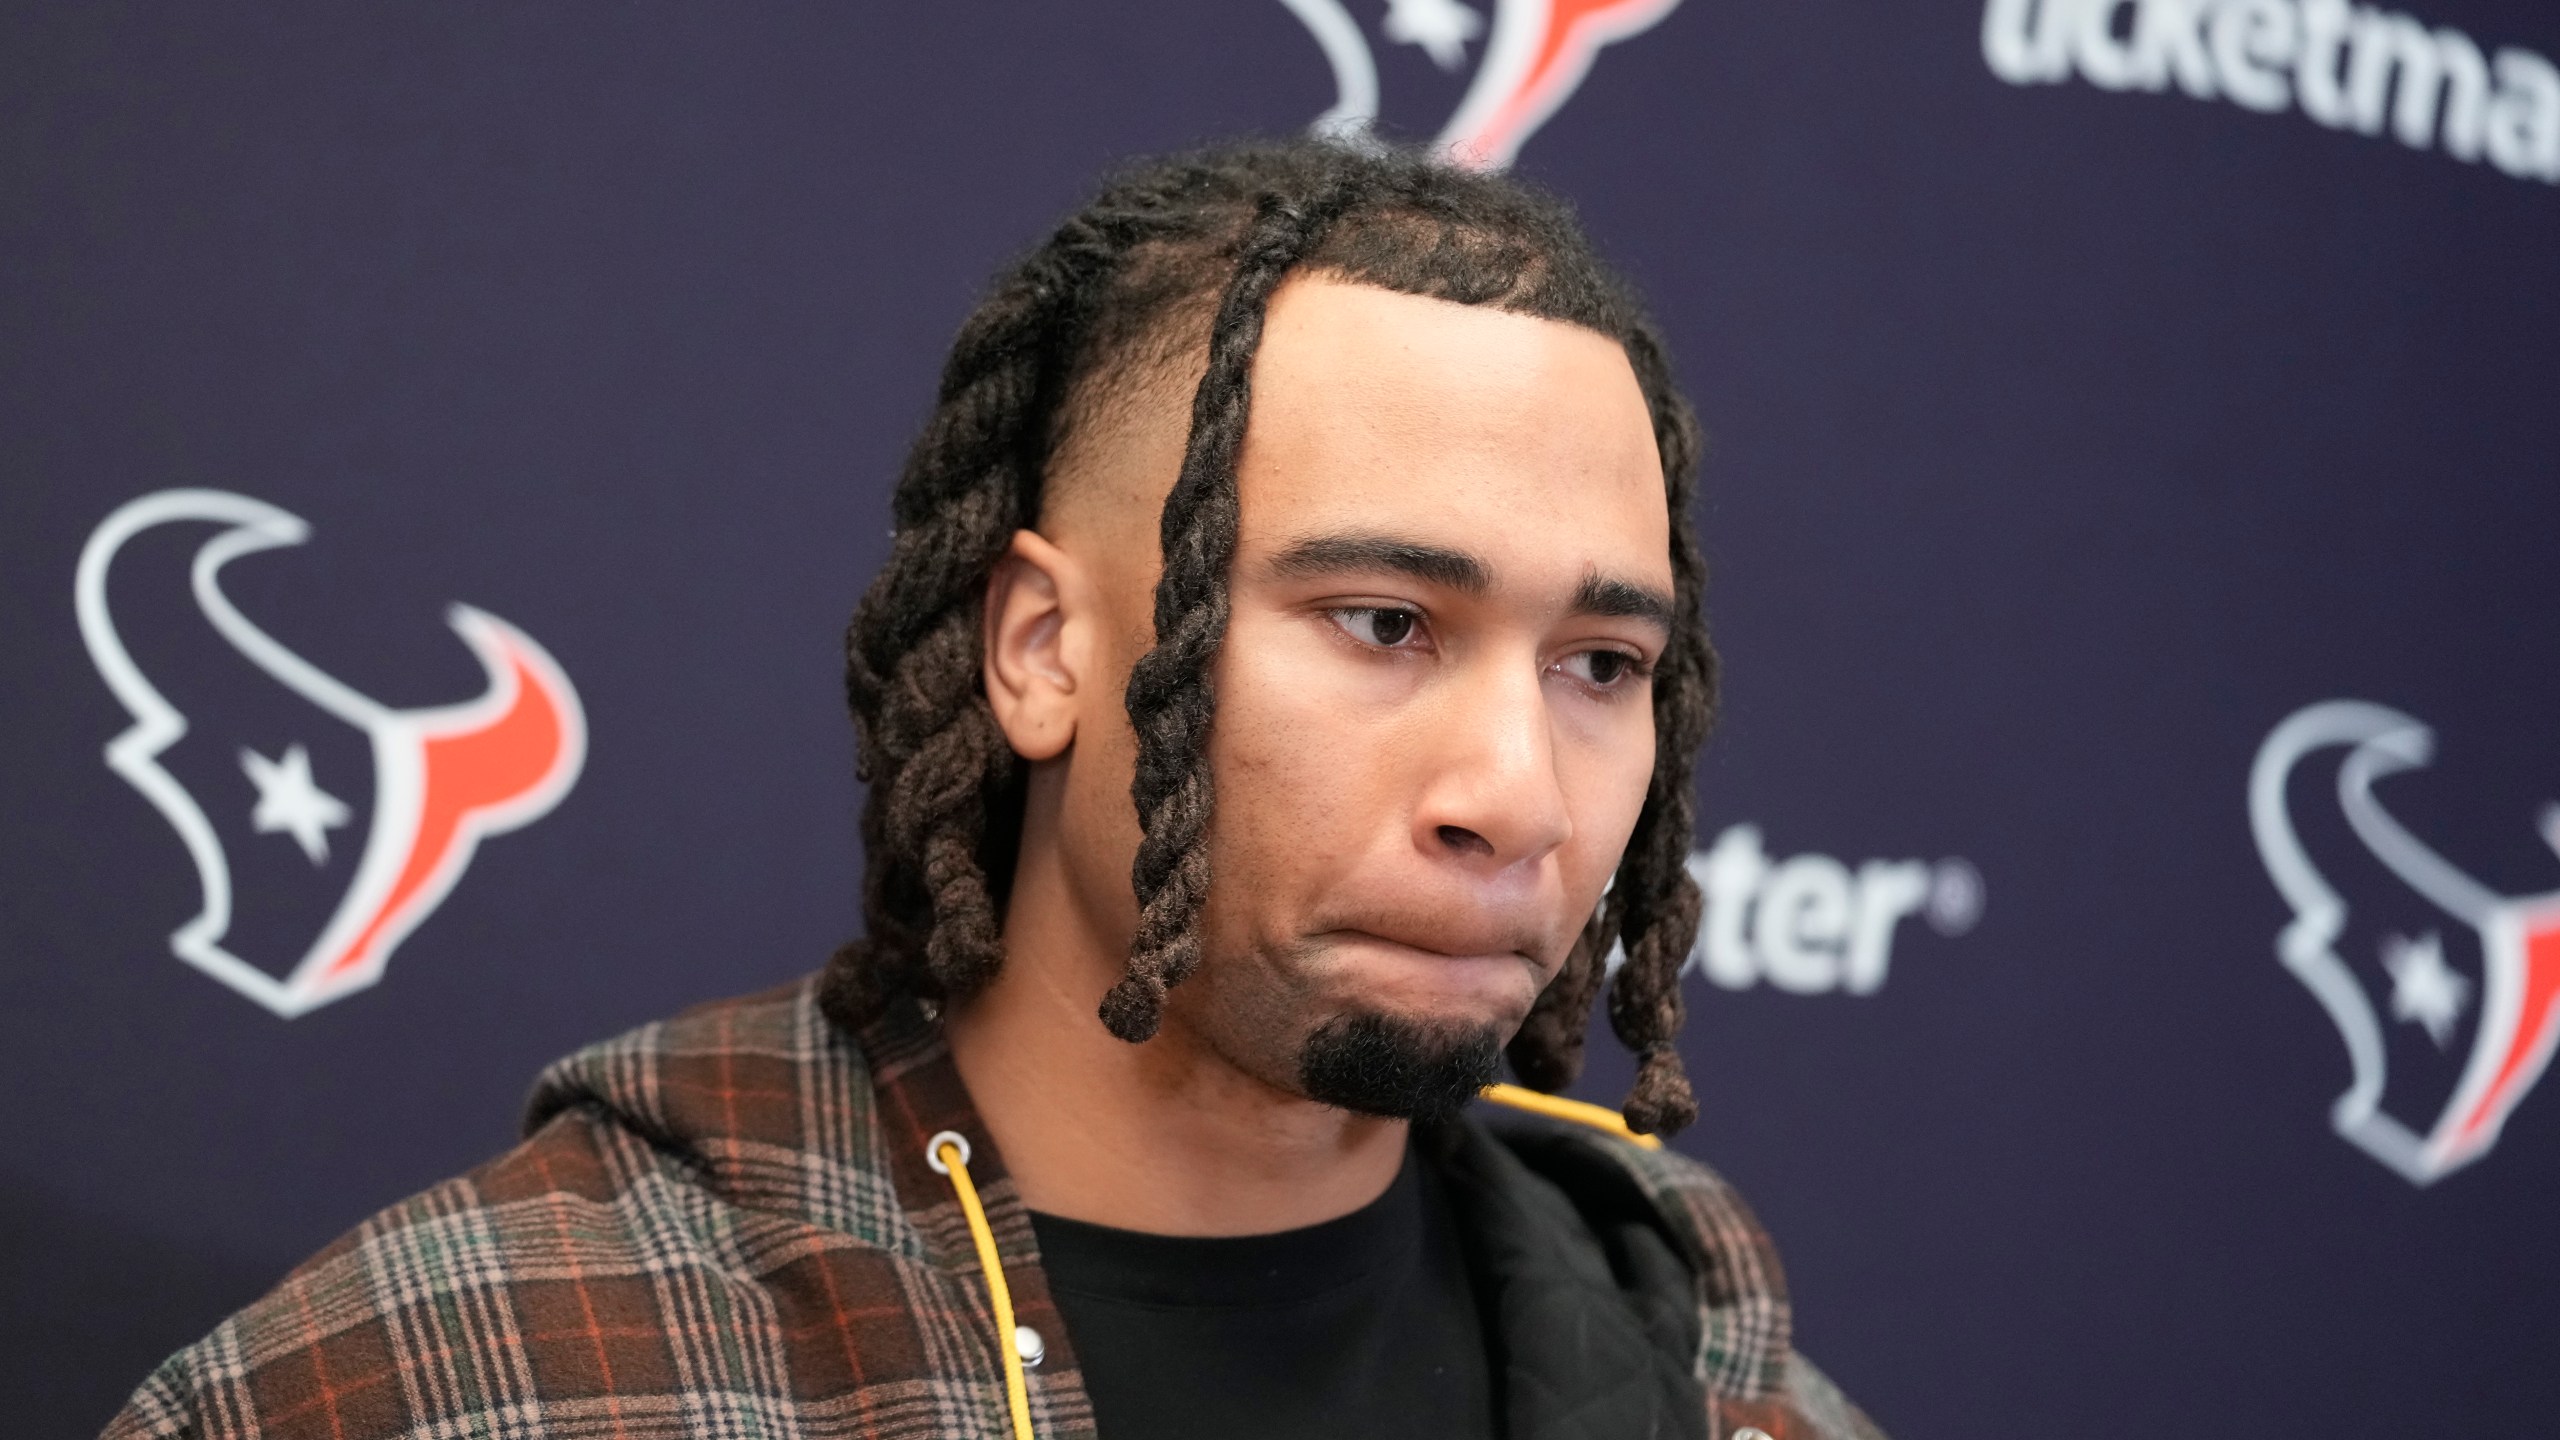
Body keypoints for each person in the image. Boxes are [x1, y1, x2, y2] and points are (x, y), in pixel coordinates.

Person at [108, 139, 1884, 1440]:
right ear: (1040, 647)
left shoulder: (1719, 1378)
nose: (1518, 795)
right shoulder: (491, 1373)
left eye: (1600, 667)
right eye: (1382, 621)